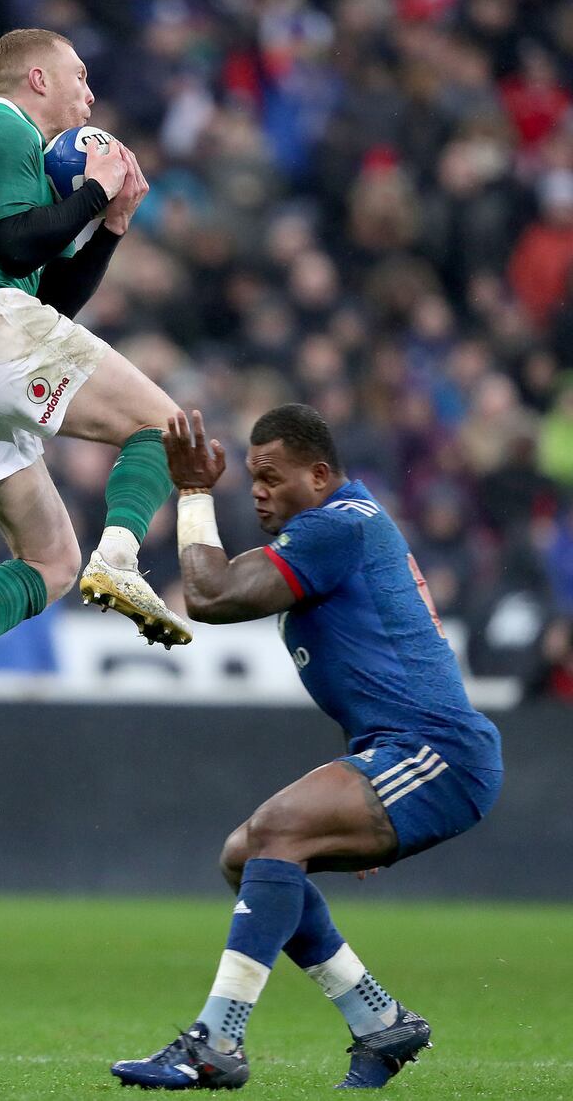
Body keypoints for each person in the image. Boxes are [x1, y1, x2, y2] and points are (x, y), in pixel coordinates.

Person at [111, 406, 503, 1091]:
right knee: (247, 856)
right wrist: (366, 793)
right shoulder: (343, 526)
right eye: (252, 478)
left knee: (275, 833)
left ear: (319, 476)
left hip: (439, 751)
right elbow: (375, 671)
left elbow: (209, 595)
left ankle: (217, 1040)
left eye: (272, 477)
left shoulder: (332, 528)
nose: (258, 490)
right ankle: (376, 1019)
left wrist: (194, 492)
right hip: (404, 751)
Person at [0, 28, 191, 778]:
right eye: (80, 76)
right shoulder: (0, 126)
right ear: (38, 78)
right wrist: (93, 189)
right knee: (165, 426)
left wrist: (108, 227)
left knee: (50, 562)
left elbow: (49, 298)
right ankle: (123, 557)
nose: (90, 93)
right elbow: (19, 248)